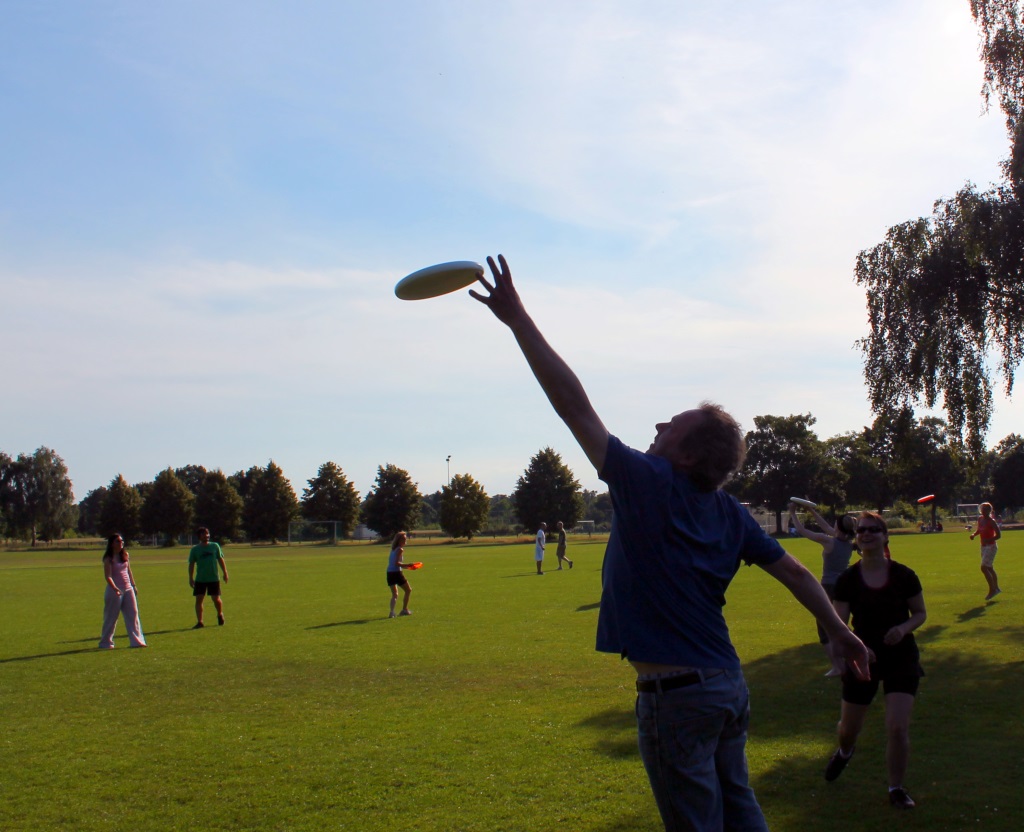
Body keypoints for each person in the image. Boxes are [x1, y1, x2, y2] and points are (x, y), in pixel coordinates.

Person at [470, 255, 869, 832]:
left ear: (685, 454)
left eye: (669, 426)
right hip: (725, 685)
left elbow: (574, 406)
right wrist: (842, 633)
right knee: (740, 809)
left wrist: (518, 320)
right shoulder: (730, 513)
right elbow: (799, 574)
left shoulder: (650, 483)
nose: (656, 428)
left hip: (676, 696)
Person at [824, 511, 927, 810]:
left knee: (897, 727)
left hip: (901, 657)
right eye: (861, 531)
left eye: (873, 530)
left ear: (885, 536)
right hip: (862, 659)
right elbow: (837, 625)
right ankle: (844, 752)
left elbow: (920, 613)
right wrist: (856, 647)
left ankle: (896, 788)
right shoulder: (847, 579)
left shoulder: (904, 575)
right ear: (856, 541)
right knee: (849, 730)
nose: (866, 534)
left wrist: (903, 628)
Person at [788, 503, 856, 676]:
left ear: (838, 528)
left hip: (828, 587)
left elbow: (803, 531)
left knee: (824, 626)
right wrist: (811, 510)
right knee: (841, 624)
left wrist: (793, 513)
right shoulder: (848, 543)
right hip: (846, 586)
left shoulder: (829, 541)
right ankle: (852, 660)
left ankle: (837, 667)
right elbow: (826, 526)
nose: (830, 526)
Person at [99, 533, 147, 649]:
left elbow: (129, 571)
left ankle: (137, 641)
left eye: (122, 541)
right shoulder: (108, 558)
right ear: (112, 544)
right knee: (111, 617)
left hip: (128, 588)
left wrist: (133, 585)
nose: (121, 543)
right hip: (114, 591)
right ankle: (106, 643)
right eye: (118, 541)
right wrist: (115, 588)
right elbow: (108, 576)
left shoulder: (125, 555)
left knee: (133, 614)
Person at [188, 527, 229, 628]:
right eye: (204, 534)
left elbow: (220, 559)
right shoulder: (195, 549)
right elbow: (191, 564)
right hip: (200, 579)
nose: (207, 536)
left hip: (213, 578)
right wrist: (190, 578)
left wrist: (225, 572)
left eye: (208, 534)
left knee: (216, 599)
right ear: (199, 536)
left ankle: (220, 614)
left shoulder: (215, 546)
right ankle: (200, 622)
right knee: (199, 600)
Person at [969, 502, 1002, 600]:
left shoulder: (991, 521)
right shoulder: (980, 519)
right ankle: (996, 588)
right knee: (990, 568)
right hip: (983, 546)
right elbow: (979, 530)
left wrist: (988, 540)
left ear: (989, 511)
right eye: (982, 509)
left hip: (991, 547)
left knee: (984, 567)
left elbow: (999, 535)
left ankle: (992, 590)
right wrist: (974, 534)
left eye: (985, 510)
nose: (983, 511)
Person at [386, 531, 413, 617]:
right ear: (399, 540)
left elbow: (395, 563)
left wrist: (409, 567)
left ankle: (392, 612)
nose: (405, 540)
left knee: (394, 594)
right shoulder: (400, 550)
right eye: (403, 539)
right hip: (396, 573)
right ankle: (404, 610)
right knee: (408, 590)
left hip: (389, 573)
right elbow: (397, 563)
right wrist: (408, 565)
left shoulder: (393, 549)